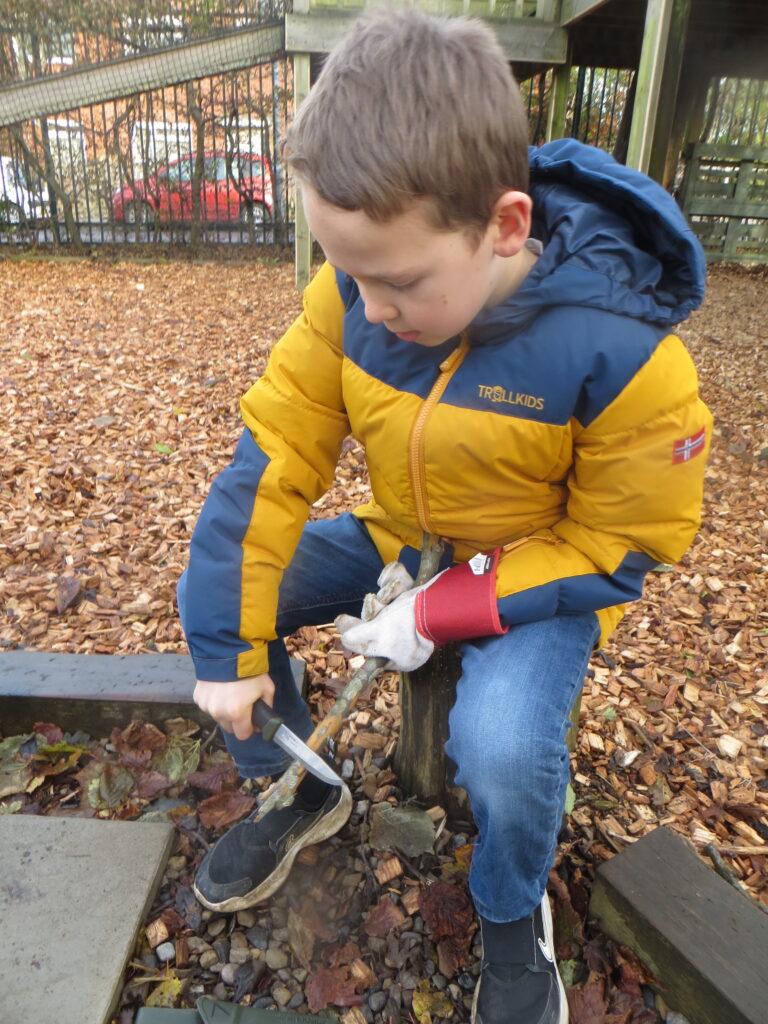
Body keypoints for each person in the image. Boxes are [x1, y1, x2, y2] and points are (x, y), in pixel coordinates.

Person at [177, 10, 711, 1024]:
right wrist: (231, 646)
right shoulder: (355, 299)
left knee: (505, 748)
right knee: (221, 602)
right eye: (349, 273)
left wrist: (445, 609)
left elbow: (619, 542)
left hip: (538, 571)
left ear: (506, 226)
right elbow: (277, 454)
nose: (369, 308)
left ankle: (512, 913)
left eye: (401, 281)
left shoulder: (625, 349)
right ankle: (300, 786)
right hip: (403, 536)